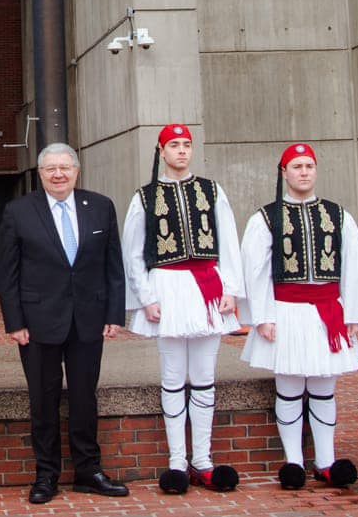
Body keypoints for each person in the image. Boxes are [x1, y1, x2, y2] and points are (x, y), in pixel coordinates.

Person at [0, 143, 129, 504]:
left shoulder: (100, 207)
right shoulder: (18, 211)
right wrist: (14, 322)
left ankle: (89, 470)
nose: (58, 174)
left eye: (65, 167)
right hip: (37, 323)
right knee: (44, 400)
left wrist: (115, 314)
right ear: (39, 174)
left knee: (85, 398)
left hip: (89, 320)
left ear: (76, 170)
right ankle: (46, 475)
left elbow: (113, 265)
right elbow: (8, 273)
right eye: (50, 168)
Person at [239, 143, 358, 491]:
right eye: (296, 166)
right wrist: (262, 316)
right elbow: (256, 270)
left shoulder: (337, 215)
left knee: (325, 387)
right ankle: (293, 461)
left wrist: (354, 311)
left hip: (327, 310)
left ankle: (326, 461)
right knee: (290, 388)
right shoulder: (266, 218)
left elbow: (355, 265)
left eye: (309, 166)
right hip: (286, 311)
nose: (304, 172)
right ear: (284, 172)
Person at [121, 124, 244, 494]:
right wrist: (147, 297)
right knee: (173, 378)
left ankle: (202, 460)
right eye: (174, 145)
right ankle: (177, 460)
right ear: (161, 151)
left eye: (186, 145)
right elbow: (134, 252)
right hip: (168, 289)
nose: (181, 151)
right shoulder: (144, 196)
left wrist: (232, 289)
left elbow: (229, 242)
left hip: (207, 287)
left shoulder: (212, 190)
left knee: (204, 377)